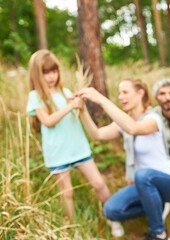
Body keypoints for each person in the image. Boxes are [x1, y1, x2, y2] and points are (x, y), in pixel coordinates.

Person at [25, 49, 123, 237]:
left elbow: (78, 115)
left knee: (98, 183)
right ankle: (72, 228)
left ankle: (113, 217)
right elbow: (47, 121)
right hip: (57, 152)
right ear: (37, 75)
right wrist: (70, 106)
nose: (51, 76)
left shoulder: (66, 92)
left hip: (78, 147)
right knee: (67, 192)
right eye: (45, 73)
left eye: (54, 71)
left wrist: (79, 104)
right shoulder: (35, 96)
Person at [77, 77, 170, 240]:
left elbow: (133, 128)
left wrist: (100, 99)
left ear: (140, 93)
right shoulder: (124, 123)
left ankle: (160, 234)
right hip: (144, 184)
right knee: (111, 209)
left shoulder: (153, 118)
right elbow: (97, 135)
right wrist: (82, 111)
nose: (120, 97)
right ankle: (156, 206)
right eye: (119, 93)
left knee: (142, 175)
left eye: (125, 92)